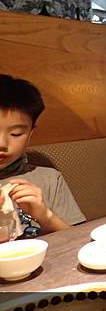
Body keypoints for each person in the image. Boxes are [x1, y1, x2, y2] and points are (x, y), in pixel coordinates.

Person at [0, 75, 85, 238]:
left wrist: (45, 216)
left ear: (30, 134)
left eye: (15, 134)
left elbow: (76, 242)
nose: (2, 143)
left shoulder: (49, 179)